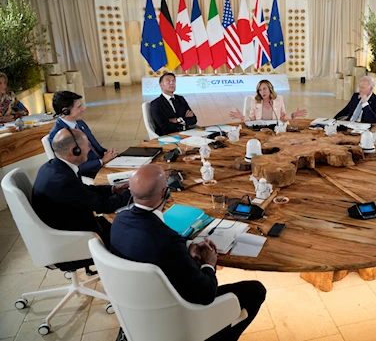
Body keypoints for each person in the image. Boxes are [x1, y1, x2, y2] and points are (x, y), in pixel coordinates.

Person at [110, 164, 266, 341]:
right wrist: (208, 264)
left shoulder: (119, 221)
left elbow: (154, 253)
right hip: (181, 318)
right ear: (165, 192)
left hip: (139, 311)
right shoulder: (168, 241)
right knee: (255, 291)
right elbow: (206, 295)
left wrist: (185, 251)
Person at [32, 128, 131, 249]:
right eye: (87, 146)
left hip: (71, 225)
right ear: (75, 150)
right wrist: (135, 192)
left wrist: (113, 189)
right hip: (76, 238)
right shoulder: (62, 181)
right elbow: (105, 206)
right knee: (135, 233)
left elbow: (85, 190)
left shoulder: (53, 166)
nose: (89, 149)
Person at [49, 91, 118, 178]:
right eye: (79, 107)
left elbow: (95, 147)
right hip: (90, 173)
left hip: (102, 164)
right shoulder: (58, 135)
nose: (83, 109)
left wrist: (109, 153)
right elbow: (74, 166)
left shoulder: (79, 123)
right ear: (65, 111)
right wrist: (102, 161)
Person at [229, 80, 306, 122]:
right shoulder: (255, 102)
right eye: (260, 90)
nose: (263, 92)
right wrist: (242, 117)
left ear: (270, 89)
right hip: (260, 130)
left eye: (265, 89)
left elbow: (282, 117)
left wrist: (293, 115)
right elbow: (252, 119)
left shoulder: (279, 99)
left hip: (275, 129)